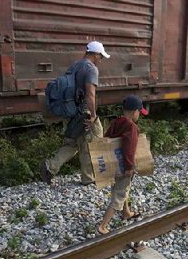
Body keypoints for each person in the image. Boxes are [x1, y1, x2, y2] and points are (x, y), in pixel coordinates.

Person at [41, 41, 108, 186]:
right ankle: (88, 178)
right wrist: (93, 116)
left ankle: (50, 167)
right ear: (95, 54)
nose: (101, 60)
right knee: (92, 141)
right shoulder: (91, 69)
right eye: (101, 56)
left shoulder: (75, 65)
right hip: (83, 112)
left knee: (71, 143)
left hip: (70, 111)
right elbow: (90, 94)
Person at [97, 95, 148, 235]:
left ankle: (126, 212)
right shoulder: (132, 127)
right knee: (119, 194)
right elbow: (129, 148)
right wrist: (129, 167)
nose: (139, 115)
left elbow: (106, 139)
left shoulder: (116, 122)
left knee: (123, 188)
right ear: (134, 111)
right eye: (139, 112)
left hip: (113, 164)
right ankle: (103, 226)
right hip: (124, 167)